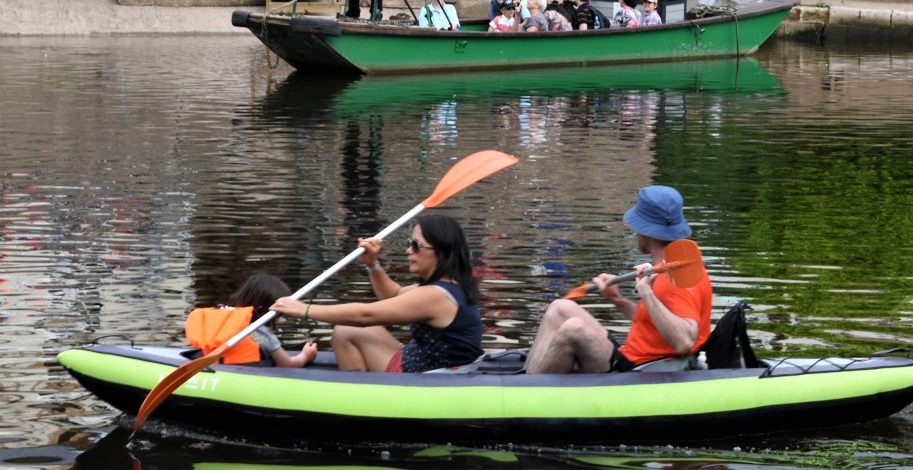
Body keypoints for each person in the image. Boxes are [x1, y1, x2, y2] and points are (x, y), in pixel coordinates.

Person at [524, 186, 712, 373]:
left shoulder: (678, 275)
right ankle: (523, 380)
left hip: (641, 369)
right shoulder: (669, 264)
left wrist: (646, 292)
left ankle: (530, 394)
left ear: (646, 231)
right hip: (630, 355)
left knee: (573, 329)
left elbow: (685, 342)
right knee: (560, 307)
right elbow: (653, 327)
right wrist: (618, 300)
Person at [271, 215, 484, 374]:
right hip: (424, 361)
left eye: (416, 245)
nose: (408, 251)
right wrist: (373, 264)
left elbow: (365, 315)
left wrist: (304, 309)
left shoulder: (435, 296)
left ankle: (357, 403)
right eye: (409, 244)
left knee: (345, 331)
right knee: (349, 329)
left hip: (426, 376)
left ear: (440, 252)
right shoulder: (449, 286)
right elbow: (394, 295)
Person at [224, 272, 318, 367]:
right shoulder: (259, 334)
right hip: (244, 374)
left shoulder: (224, 318)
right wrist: (305, 355)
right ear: (261, 310)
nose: (279, 321)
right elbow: (287, 364)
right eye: (278, 316)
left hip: (217, 366)